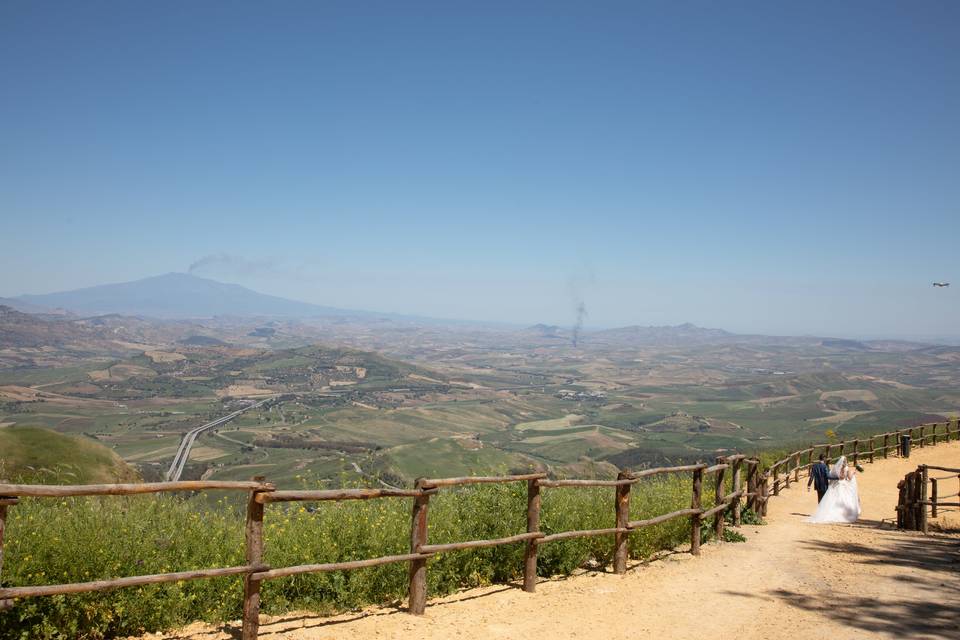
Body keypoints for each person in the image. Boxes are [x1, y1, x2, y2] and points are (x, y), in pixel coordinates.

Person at [807, 456, 861, 524]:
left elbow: (812, 476)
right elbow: (847, 478)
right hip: (832, 485)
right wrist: (854, 472)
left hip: (820, 485)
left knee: (822, 500)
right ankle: (828, 513)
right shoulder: (826, 466)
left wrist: (809, 485)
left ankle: (820, 513)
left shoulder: (833, 467)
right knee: (839, 500)